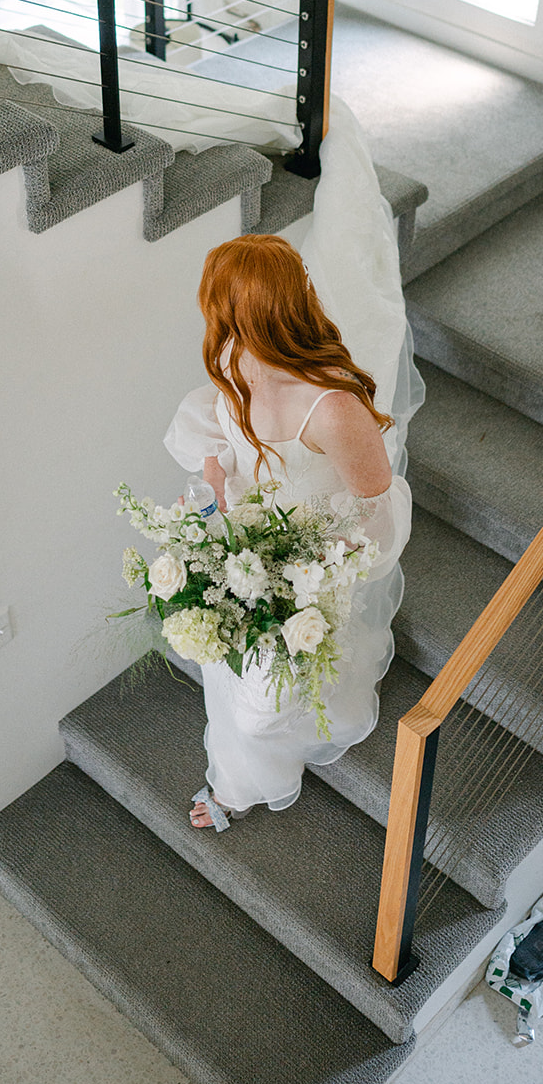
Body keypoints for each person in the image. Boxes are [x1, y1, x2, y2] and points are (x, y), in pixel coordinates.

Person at [164, 233, 412, 828]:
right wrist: (213, 493)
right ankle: (239, 776)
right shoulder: (233, 356)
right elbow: (215, 429)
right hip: (244, 537)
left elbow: (373, 505)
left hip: (315, 553)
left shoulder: (333, 407)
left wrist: (304, 567)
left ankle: (243, 784)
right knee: (233, 663)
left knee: (265, 701)